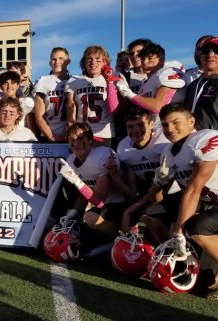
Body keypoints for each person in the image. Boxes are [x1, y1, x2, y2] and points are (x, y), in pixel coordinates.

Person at [151, 103, 218, 300]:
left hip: (210, 204)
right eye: (165, 125)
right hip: (209, 205)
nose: (170, 129)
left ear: (191, 121)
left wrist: (178, 232)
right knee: (152, 212)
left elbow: (194, 188)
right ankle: (187, 260)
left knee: (198, 227)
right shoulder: (168, 152)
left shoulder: (204, 139)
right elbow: (158, 198)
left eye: (175, 122)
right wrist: (159, 182)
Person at [115, 107, 180, 244]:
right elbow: (132, 192)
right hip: (151, 194)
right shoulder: (124, 149)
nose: (135, 130)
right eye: (130, 126)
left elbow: (158, 194)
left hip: (176, 191)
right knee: (131, 213)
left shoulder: (164, 144)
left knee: (146, 213)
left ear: (152, 125)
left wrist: (133, 208)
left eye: (140, 124)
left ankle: (167, 248)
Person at [58, 123, 126, 253]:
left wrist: (76, 181)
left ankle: (123, 240)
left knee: (90, 218)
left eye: (80, 139)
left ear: (90, 141)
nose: (76, 143)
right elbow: (84, 193)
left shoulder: (102, 156)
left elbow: (100, 201)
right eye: (72, 140)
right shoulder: (71, 160)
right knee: (82, 244)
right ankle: (110, 243)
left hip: (119, 204)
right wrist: (73, 212)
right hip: (105, 207)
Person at [116, 42, 185, 128]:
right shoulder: (145, 84)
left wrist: (129, 93)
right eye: (143, 58)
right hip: (152, 130)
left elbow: (158, 107)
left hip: (169, 129)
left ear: (161, 61)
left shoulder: (167, 72)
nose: (145, 62)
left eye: (150, 58)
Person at [65, 45, 119, 147]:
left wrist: (110, 82)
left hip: (104, 133)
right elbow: (70, 105)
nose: (93, 62)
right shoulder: (74, 80)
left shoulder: (111, 79)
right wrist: (71, 128)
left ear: (105, 62)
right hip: (81, 133)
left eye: (98, 59)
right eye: (89, 59)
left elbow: (115, 108)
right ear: (84, 63)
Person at [34, 47, 71, 142]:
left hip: (71, 136)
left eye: (61, 58)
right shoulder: (43, 81)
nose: (57, 61)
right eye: (53, 59)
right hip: (47, 135)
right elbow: (39, 116)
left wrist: (68, 134)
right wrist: (51, 137)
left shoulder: (74, 81)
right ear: (50, 62)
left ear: (68, 61)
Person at [185, 37, 218, 130]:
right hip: (191, 141)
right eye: (205, 51)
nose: (210, 55)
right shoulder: (193, 85)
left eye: (216, 51)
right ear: (200, 55)